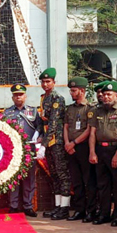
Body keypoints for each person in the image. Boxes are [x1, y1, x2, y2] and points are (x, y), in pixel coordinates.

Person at [89, 81, 117, 226]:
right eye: (104, 94)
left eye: (109, 94)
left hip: (116, 150)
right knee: (103, 184)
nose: (106, 97)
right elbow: (92, 133)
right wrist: (92, 152)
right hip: (101, 150)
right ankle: (104, 214)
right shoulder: (98, 111)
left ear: (116, 95)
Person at [4, 83, 42, 217]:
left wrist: (38, 135)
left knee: (29, 178)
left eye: (21, 94)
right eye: (16, 95)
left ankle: (28, 206)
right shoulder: (7, 112)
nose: (18, 97)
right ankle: (13, 205)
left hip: (29, 149)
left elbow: (40, 127)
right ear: (12, 97)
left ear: (25, 96)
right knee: (13, 177)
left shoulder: (33, 111)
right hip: (13, 150)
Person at [38, 68, 71, 219]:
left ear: (54, 82)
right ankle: (57, 206)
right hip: (48, 141)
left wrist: (44, 144)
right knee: (54, 174)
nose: (45, 84)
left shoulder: (57, 98)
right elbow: (42, 120)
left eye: (48, 81)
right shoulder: (44, 98)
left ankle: (64, 207)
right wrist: (40, 136)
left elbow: (52, 123)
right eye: (43, 82)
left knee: (62, 174)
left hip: (56, 140)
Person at [63, 77, 96, 222]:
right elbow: (65, 127)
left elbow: (89, 130)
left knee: (88, 180)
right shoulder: (70, 109)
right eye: (71, 90)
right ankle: (79, 210)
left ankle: (91, 210)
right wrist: (67, 143)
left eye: (74, 90)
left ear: (82, 91)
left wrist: (74, 143)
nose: (71, 92)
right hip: (70, 147)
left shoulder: (90, 109)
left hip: (83, 147)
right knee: (76, 181)